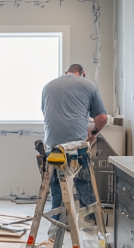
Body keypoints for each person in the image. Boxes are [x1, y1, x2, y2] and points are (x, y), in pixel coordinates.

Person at [41, 64, 109, 238]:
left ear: (66, 73)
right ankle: (94, 224)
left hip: (53, 147)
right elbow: (102, 118)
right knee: (83, 183)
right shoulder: (88, 86)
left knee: (57, 187)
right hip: (75, 147)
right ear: (82, 74)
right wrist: (93, 133)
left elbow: (49, 114)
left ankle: (56, 227)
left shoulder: (48, 86)